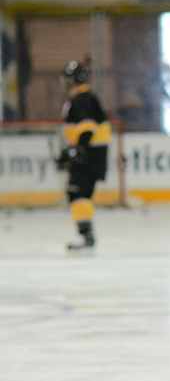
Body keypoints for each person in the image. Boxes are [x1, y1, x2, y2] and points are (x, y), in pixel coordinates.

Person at [56, 60, 111, 250]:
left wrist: (77, 150)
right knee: (78, 194)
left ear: (73, 80)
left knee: (79, 193)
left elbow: (87, 128)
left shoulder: (82, 99)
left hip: (90, 158)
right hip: (90, 156)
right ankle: (86, 235)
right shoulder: (82, 99)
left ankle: (86, 236)